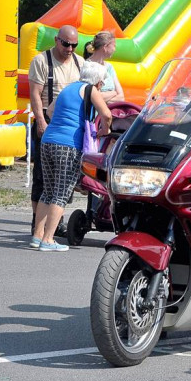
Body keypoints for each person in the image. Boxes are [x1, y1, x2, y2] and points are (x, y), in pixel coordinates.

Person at [33, 61, 111, 251]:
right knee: (62, 191)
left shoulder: (68, 88)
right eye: (102, 83)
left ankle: (37, 235)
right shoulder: (91, 89)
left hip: (48, 141)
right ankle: (49, 239)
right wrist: (104, 130)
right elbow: (107, 114)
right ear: (99, 82)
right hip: (68, 145)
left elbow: (50, 110)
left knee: (48, 190)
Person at [28, 25, 82, 234]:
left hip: (71, 125)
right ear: (57, 40)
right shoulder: (42, 61)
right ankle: (37, 223)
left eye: (74, 45)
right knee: (43, 175)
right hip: (48, 120)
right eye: (66, 44)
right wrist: (40, 121)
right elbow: (35, 94)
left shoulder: (80, 63)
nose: (70, 49)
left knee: (66, 176)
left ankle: (55, 222)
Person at [83, 31, 125, 104]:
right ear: (105, 47)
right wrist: (113, 93)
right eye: (114, 46)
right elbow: (91, 98)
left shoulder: (109, 67)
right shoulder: (87, 67)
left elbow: (121, 98)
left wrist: (101, 97)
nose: (115, 49)